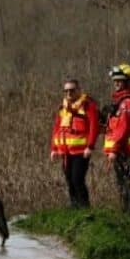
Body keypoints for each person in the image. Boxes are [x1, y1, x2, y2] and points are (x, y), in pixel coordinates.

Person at [50, 78, 98, 208]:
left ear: (78, 90)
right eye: (66, 91)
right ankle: (74, 207)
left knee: (77, 179)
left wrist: (90, 146)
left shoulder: (88, 105)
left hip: (81, 151)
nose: (68, 93)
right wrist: (54, 148)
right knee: (69, 180)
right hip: (65, 151)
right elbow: (57, 128)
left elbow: (94, 126)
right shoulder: (63, 107)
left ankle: (85, 208)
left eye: (72, 90)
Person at [103, 63, 130, 214]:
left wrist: (114, 149)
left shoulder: (127, 102)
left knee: (125, 182)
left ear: (127, 82)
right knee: (122, 181)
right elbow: (114, 127)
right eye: (115, 81)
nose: (116, 84)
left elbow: (123, 129)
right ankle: (127, 212)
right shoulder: (120, 101)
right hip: (123, 148)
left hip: (126, 149)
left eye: (119, 81)